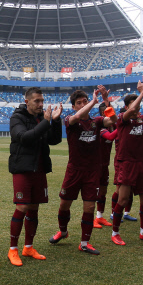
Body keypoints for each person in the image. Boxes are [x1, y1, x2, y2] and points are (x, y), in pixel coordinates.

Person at [49, 86, 114, 255]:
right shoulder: (70, 119)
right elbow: (78, 117)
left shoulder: (97, 121)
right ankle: (63, 232)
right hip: (74, 170)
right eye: (79, 102)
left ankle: (84, 243)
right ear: (74, 106)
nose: (83, 104)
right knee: (64, 204)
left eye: (85, 101)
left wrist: (106, 101)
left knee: (90, 207)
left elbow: (113, 120)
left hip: (92, 171)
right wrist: (94, 101)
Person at [7, 87, 62, 266]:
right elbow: (23, 137)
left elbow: (54, 140)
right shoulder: (17, 117)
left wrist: (56, 120)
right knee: (22, 207)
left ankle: (28, 247)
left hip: (39, 169)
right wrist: (46, 122)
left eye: (42, 101)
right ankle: (13, 249)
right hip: (22, 169)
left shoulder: (41, 118)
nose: (40, 104)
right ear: (27, 102)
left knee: (34, 208)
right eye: (37, 101)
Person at [111, 81, 143, 245]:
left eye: (139, 106)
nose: (138, 109)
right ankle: (115, 233)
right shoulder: (122, 119)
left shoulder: (141, 119)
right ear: (126, 107)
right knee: (123, 199)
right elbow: (132, 109)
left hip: (141, 163)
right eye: (135, 106)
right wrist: (141, 93)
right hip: (126, 163)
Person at [94, 102, 116, 228]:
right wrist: (122, 128)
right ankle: (91, 218)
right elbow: (110, 137)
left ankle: (99, 216)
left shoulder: (111, 126)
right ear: (104, 113)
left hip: (105, 164)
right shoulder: (100, 127)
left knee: (103, 190)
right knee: (94, 192)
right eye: (111, 112)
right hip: (96, 165)